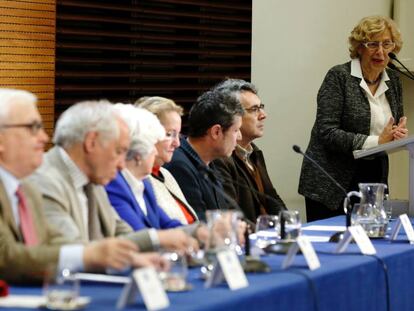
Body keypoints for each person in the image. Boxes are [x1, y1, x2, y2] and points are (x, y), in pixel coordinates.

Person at [0, 89, 161, 284]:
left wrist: (126, 256)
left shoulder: (26, 189)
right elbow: (7, 256)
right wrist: (88, 255)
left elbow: (54, 243)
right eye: (33, 127)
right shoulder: (40, 181)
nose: (44, 137)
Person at [30, 100, 193, 252]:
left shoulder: (93, 178)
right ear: (91, 142)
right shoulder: (46, 181)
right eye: (119, 151)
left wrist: (192, 233)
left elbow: (122, 233)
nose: (122, 164)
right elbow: (71, 250)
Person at [298, 16, 408, 222]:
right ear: (359, 47)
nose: (381, 51)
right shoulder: (339, 77)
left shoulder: (393, 81)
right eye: (373, 44)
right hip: (331, 179)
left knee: (373, 240)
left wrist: (397, 135)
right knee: (335, 247)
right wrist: (377, 141)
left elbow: (391, 126)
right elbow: (327, 132)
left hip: (373, 176)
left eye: (387, 44)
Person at [212, 79, 287, 224]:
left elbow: (272, 199)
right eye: (254, 109)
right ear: (232, 115)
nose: (263, 115)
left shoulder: (254, 153)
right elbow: (232, 216)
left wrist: (289, 225)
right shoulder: (220, 159)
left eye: (261, 107)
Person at [164, 89, 244, 221]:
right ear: (216, 132)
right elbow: (199, 224)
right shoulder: (179, 167)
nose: (239, 137)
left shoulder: (210, 163)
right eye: (236, 130)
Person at [105, 104, 184, 230]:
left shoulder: (144, 182)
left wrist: (197, 232)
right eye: (152, 146)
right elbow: (139, 235)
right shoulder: (113, 184)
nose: (156, 152)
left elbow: (168, 223)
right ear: (137, 154)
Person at [138, 96, 198, 224]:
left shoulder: (166, 174)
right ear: (146, 134)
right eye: (169, 134)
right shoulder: (138, 178)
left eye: (179, 135)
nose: (177, 143)